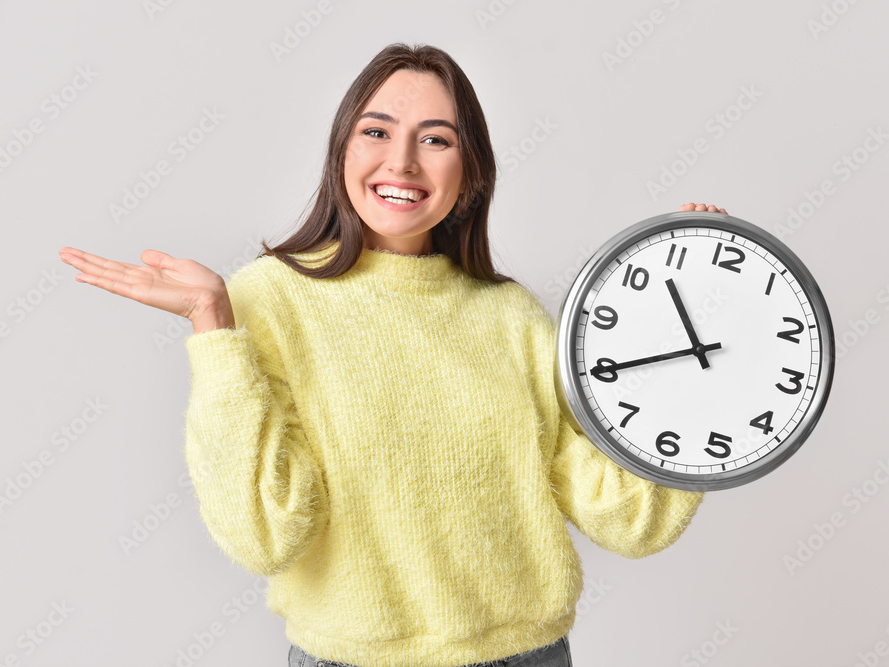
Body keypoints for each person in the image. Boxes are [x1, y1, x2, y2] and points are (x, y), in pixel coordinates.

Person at [59, 42, 727, 667]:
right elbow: (264, 534)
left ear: (469, 172)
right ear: (341, 151)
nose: (402, 162)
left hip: (528, 654)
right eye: (376, 132)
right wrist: (212, 326)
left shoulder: (512, 315)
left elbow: (629, 518)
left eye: (436, 139)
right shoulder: (266, 301)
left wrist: (705, 326)